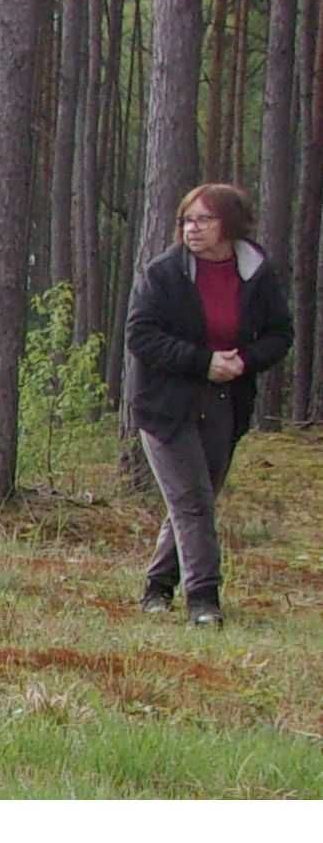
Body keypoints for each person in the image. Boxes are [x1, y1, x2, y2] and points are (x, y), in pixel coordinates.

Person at [124, 183, 293, 628]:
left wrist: (243, 361)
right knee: (193, 501)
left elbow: (281, 333)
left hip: (226, 402)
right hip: (165, 405)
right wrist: (202, 362)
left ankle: (157, 587)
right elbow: (140, 335)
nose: (192, 229)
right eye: (186, 220)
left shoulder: (256, 272)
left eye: (203, 219)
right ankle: (204, 600)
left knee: (195, 499)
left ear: (229, 224)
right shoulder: (163, 273)